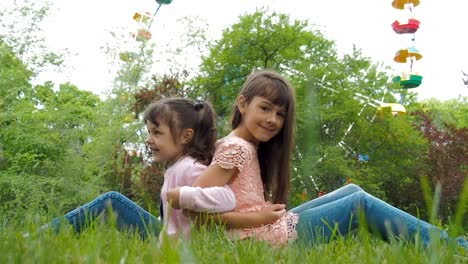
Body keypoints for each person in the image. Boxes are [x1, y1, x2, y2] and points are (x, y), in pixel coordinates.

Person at [167, 69, 467, 249]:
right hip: (261, 241)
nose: (273, 120)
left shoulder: (243, 144)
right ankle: (453, 248)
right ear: (243, 104)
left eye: (280, 114)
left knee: (352, 192)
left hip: (264, 230)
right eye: (266, 108)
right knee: (359, 205)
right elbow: (194, 210)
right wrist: (256, 218)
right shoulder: (237, 148)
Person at [36, 97, 236, 239]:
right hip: (165, 239)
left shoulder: (190, 167)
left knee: (112, 201)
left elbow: (228, 198)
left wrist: (186, 196)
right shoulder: (177, 167)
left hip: (176, 244)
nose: (149, 140)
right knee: (109, 208)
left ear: (186, 136)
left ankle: (40, 237)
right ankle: (53, 236)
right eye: (149, 132)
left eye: (157, 132)